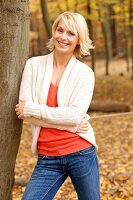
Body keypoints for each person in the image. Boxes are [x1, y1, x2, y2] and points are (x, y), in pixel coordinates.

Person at [15, 11, 100, 200]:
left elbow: (74, 116)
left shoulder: (85, 74)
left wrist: (34, 109)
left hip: (81, 153)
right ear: (54, 32)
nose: (63, 37)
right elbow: (24, 112)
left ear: (79, 39)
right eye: (60, 30)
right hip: (47, 159)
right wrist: (69, 124)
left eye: (71, 33)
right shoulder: (33, 65)